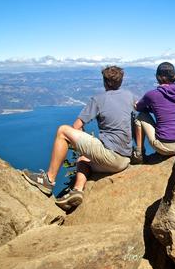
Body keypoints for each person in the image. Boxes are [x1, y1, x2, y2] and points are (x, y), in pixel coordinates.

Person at [23, 66, 136, 210]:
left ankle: (48, 180)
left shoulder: (98, 99)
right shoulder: (129, 96)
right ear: (121, 81)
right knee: (83, 160)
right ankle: (77, 190)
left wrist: (82, 139)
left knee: (63, 131)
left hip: (110, 156)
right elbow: (135, 120)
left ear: (104, 82)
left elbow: (76, 127)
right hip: (124, 159)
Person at [133, 62, 175, 162]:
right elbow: (167, 107)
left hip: (165, 146)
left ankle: (139, 154)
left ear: (158, 77)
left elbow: (138, 107)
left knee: (140, 117)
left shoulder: (152, 95)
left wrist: (136, 104)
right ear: (174, 76)